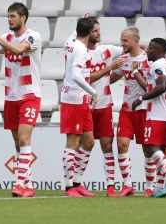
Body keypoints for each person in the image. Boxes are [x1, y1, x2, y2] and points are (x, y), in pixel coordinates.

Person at [0, 2, 42, 198]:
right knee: (17, 143)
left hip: (30, 95)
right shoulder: (6, 37)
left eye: (13, 16)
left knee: (23, 138)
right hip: (11, 96)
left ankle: (20, 185)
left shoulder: (33, 36)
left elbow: (17, 50)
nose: (9, 19)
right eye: (8, 16)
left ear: (23, 18)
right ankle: (29, 186)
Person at [78, 15, 126, 196]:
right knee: (85, 145)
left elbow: (129, 49)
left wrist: (144, 49)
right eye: (95, 31)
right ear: (88, 33)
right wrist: (109, 68)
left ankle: (111, 187)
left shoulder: (107, 50)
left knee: (107, 146)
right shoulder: (80, 53)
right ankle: (77, 183)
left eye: (99, 30)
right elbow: (85, 78)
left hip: (104, 105)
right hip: (85, 106)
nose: (99, 34)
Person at [110, 26, 156, 197]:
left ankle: (150, 187)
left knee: (147, 149)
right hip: (127, 109)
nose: (122, 44)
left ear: (135, 41)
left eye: (125, 41)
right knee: (121, 145)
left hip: (145, 109)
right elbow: (111, 79)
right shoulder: (123, 60)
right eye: (121, 40)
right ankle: (127, 185)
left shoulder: (149, 59)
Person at [131, 37, 166, 198]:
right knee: (161, 151)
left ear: (160, 51)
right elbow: (150, 87)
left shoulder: (158, 65)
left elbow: (161, 86)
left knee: (151, 148)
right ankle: (159, 188)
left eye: (151, 48)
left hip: (158, 113)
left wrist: (140, 99)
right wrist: (135, 72)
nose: (147, 50)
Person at [61, 17, 98, 197]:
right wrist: (93, 92)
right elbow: (76, 75)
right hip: (74, 98)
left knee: (89, 141)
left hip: (79, 98)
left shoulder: (70, 41)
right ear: (90, 33)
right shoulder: (81, 50)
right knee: (73, 142)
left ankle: (77, 182)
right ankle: (69, 187)